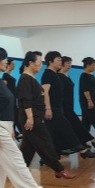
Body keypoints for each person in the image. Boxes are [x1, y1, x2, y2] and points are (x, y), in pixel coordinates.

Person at [0, 47, 59, 188]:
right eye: (3, 59)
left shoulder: (0, 81)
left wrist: (11, 128)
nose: (6, 62)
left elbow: (7, 107)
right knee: (17, 159)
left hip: (5, 125)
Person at [17, 51, 76, 179]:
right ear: (31, 63)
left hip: (35, 117)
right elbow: (25, 100)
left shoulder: (31, 78)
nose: (40, 65)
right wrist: (30, 118)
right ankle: (59, 169)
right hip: (31, 118)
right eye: (39, 62)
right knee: (45, 142)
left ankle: (19, 172)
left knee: (28, 148)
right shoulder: (25, 79)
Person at [42, 52, 95, 159]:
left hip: (58, 107)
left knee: (53, 132)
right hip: (53, 108)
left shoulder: (54, 74)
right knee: (66, 128)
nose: (60, 62)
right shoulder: (47, 74)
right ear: (50, 62)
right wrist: (48, 108)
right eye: (58, 60)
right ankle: (82, 149)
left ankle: (52, 154)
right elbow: (45, 92)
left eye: (60, 60)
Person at [58, 56, 95, 150]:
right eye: (68, 63)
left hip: (69, 104)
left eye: (70, 63)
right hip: (63, 105)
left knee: (77, 124)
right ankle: (91, 140)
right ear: (62, 64)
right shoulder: (59, 76)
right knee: (76, 124)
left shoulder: (66, 75)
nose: (70, 65)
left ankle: (81, 143)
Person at [1, 59, 21, 137]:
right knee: (14, 116)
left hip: (14, 98)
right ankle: (15, 133)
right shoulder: (5, 75)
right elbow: (4, 87)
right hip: (10, 99)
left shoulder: (11, 75)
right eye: (12, 64)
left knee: (16, 116)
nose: (14, 66)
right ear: (8, 65)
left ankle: (16, 133)